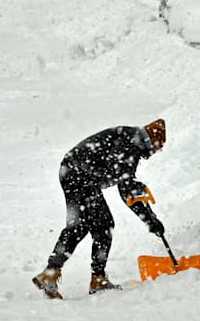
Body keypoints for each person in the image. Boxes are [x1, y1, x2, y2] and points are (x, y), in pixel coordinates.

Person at [32, 119, 168, 298]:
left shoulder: (131, 141)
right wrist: (150, 221)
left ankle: (51, 273)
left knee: (80, 226)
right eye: (159, 147)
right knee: (103, 226)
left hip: (72, 171)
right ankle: (97, 280)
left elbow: (126, 187)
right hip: (79, 175)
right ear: (152, 140)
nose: (157, 151)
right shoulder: (130, 145)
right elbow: (127, 188)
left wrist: (150, 218)